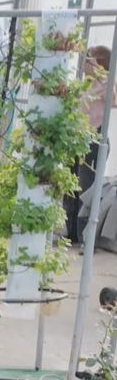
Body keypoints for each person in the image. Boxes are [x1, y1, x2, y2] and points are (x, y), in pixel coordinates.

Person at [66, 45, 116, 242]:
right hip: (77, 138)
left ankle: (85, 238)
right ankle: (71, 235)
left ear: (101, 63)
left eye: (91, 59)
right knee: (71, 186)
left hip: (95, 139)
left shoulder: (106, 84)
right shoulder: (86, 84)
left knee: (86, 189)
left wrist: (101, 75)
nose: (86, 63)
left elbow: (114, 99)